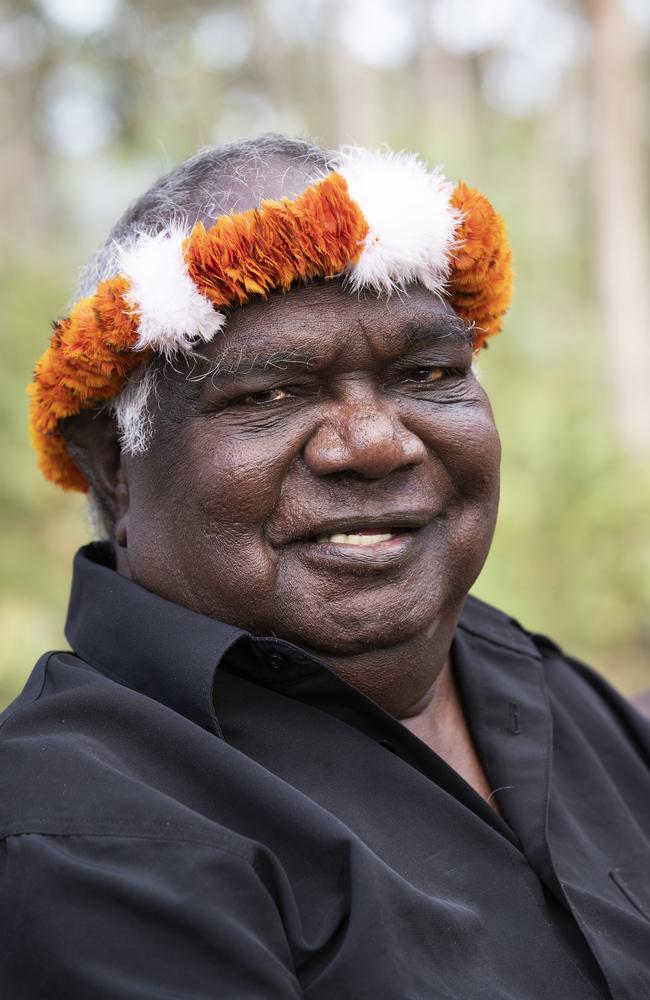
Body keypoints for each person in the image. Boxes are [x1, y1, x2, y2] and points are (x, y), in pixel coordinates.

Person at [1, 134, 648, 999]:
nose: (375, 443)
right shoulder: (78, 835)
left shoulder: (547, 689)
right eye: (269, 394)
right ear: (114, 466)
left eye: (426, 372)